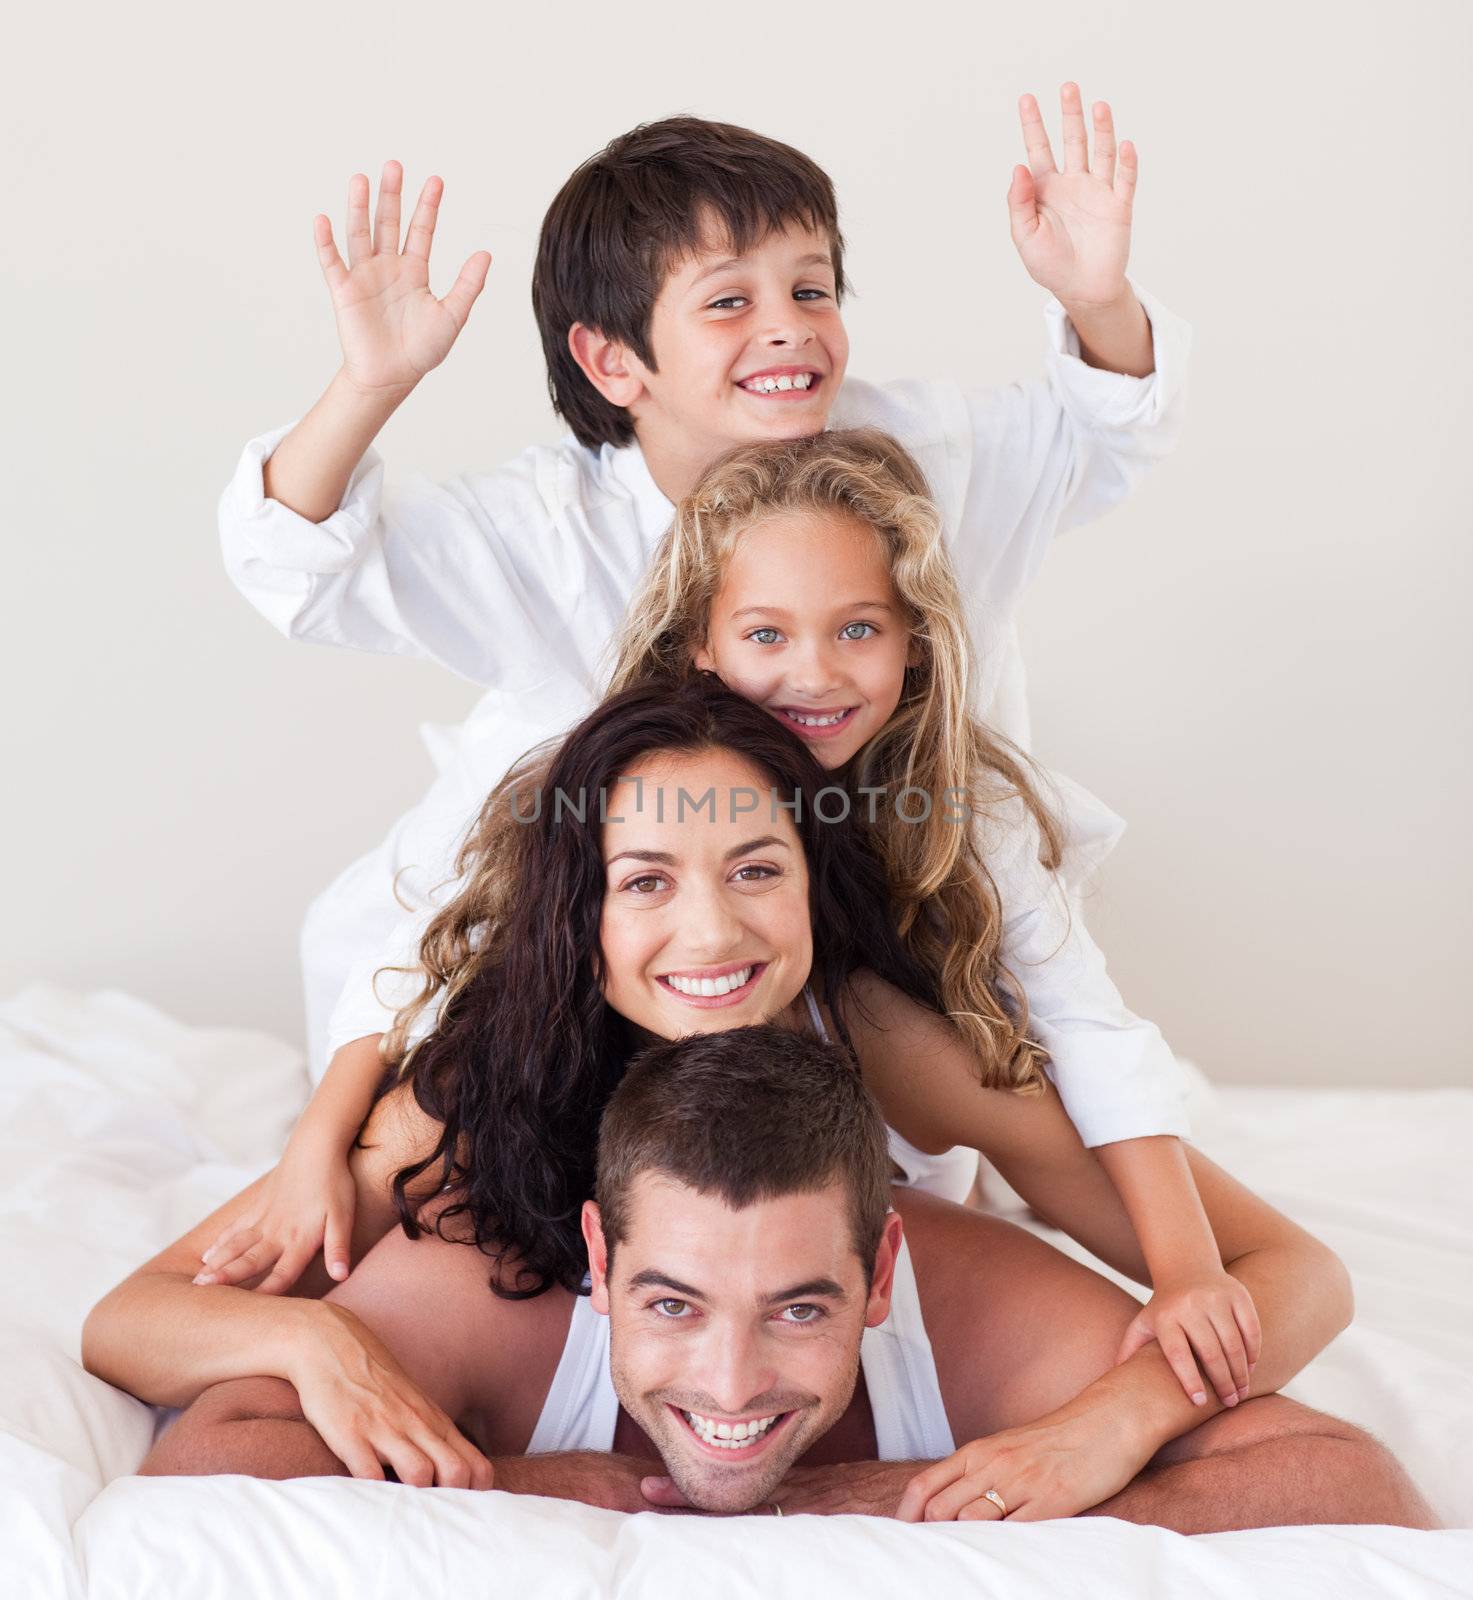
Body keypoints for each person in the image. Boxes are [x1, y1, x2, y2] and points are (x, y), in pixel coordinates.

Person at [88, 682, 1350, 1493]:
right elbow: (132, 1322)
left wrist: (1113, 1424)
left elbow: (1297, 1273)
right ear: (581, 915)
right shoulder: (486, 1082)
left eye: (755, 869)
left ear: (810, 883)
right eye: (645, 881)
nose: (711, 935)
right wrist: (307, 1337)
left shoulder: (883, 1035)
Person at [211, 432, 1252, 1411]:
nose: (813, 673)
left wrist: (1184, 1278)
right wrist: (319, 1143)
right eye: (767, 633)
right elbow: (423, 963)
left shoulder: (909, 935)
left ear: (913, 644)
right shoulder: (607, 795)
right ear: (701, 645)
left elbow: (1084, 1020)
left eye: (859, 628)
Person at [217, 95, 1186, 1083]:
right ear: (613, 359)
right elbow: (300, 567)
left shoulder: (929, 455)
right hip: (632, 971)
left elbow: (1102, 433)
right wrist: (368, 388)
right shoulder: (554, 531)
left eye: (812, 290)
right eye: (729, 302)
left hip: (871, 931)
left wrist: (1096, 297)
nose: (788, 329)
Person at [137, 1026, 1435, 1531]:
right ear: (599, 1260)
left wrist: (910, 1497)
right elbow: (206, 1456)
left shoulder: (971, 1306)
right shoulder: (488, 1281)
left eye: (799, 1309)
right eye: (672, 1304)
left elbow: (1346, 1480)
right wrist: (533, 1484)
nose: (730, 1382)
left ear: (879, 1272)